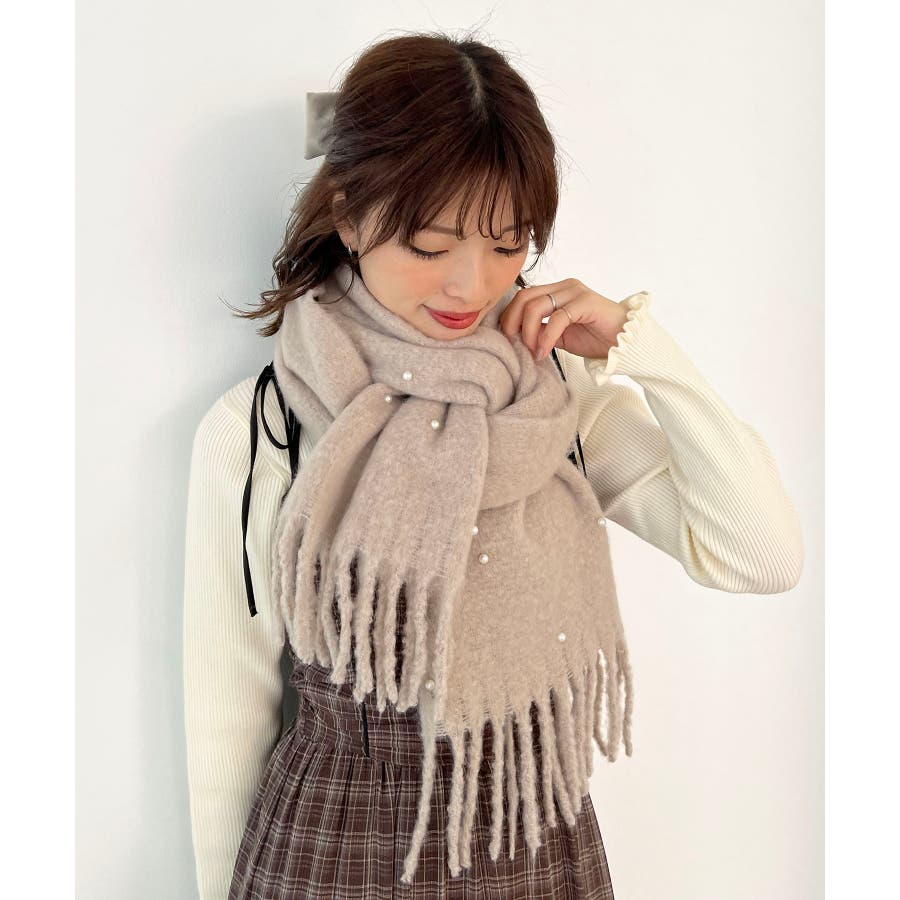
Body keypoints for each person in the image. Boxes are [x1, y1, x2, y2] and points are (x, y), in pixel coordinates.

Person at [182, 31, 804, 900]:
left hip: (529, 838)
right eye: (430, 245)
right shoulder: (264, 428)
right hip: (331, 849)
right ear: (350, 216)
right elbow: (227, 714)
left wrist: (640, 348)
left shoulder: (554, 401)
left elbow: (762, 556)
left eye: (508, 244)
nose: (470, 287)